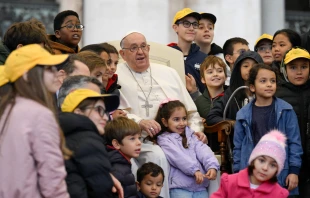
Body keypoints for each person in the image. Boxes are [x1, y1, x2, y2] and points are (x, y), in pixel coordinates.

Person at [117, 31, 205, 198]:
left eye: (143, 47)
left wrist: (196, 132)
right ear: (123, 54)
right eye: (133, 48)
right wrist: (139, 121)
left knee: (206, 158)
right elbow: (117, 114)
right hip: (141, 140)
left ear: (149, 48)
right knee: (157, 155)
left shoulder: (168, 73)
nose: (140, 52)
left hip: (178, 139)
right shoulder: (116, 76)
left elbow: (191, 112)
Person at [0, 44, 70, 197]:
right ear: (26, 75)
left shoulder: (7, 109)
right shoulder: (39, 115)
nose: (55, 73)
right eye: (47, 69)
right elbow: (53, 180)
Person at [233, 63, 302, 195]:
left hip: (280, 175)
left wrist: (294, 171)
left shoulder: (286, 110)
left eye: (272, 81)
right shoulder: (242, 115)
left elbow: (294, 142)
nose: (269, 84)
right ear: (252, 87)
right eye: (263, 81)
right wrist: (238, 173)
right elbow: (238, 147)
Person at [60, 88, 123, 198]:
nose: (105, 117)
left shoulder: (63, 137)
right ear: (78, 112)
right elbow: (101, 189)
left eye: (106, 112)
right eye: (99, 110)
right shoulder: (87, 140)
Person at [152, 99, 219, 198]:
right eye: (176, 119)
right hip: (180, 189)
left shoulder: (191, 135)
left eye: (184, 118)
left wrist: (212, 166)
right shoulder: (164, 140)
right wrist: (194, 170)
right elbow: (178, 157)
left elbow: (203, 150)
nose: (182, 123)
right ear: (165, 122)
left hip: (200, 188)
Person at [211, 130, 289, 198]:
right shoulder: (230, 182)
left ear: (277, 170)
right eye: (261, 161)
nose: (265, 168)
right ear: (253, 160)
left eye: (272, 165)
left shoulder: (278, 194)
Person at [275, 47, 310, 197]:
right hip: (287, 163)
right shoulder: (277, 94)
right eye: (293, 67)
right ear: (284, 69)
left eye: (304, 67)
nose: (299, 72)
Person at [207, 51, 263, 126]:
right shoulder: (231, 93)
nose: (250, 69)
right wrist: (234, 124)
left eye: (255, 66)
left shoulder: (267, 91)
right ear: (238, 70)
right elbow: (212, 117)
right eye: (246, 66)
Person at [168, 8, 207, 95]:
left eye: (195, 24)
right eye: (186, 24)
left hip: (198, 107)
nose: (191, 28)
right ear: (175, 28)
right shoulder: (167, 56)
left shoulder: (204, 59)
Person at [194, 55, 227, 151]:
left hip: (228, 146)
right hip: (206, 148)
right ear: (203, 79)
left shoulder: (231, 97)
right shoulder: (198, 101)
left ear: (225, 76)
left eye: (220, 71)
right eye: (210, 72)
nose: (215, 74)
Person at [105, 117, 142, 198]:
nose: (139, 143)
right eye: (132, 138)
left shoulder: (122, 165)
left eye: (139, 138)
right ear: (116, 144)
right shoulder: (118, 170)